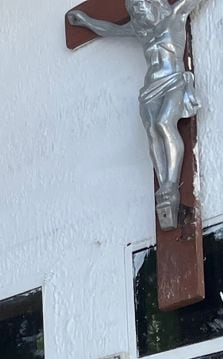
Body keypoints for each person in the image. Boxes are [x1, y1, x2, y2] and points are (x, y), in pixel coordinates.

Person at [68, 0, 212, 230]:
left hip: (172, 80)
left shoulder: (173, 17)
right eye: (133, 11)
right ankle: (163, 183)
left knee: (165, 123)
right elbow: (111, 30)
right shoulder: (140, 30)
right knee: (154, 130)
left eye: (139, 7)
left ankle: (170, 183)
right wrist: (86, 21)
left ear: (152, 4)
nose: (136, 13)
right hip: (150, 88)